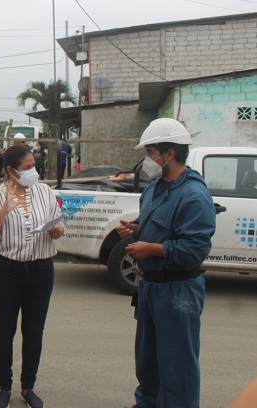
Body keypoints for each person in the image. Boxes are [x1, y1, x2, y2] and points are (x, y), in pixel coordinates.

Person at [116, 118, 216, 408]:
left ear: (169, 154)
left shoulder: (194, 194)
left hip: (178, 290)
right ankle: (146, 403)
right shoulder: (155, 188)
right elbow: (155, 224)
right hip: (151, 289)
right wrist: (135, 229)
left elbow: (194, 249)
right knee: (148, 360)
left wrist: (152, 249)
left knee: (177, 365)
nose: (147, 160)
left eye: (150, 152)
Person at [0, 144, 65, 408]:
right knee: (4, 332)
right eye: (27, 168)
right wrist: (4, 210)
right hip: (5, 271)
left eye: (33, 166)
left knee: (34, 331)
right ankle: (4, 387)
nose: (32, 172)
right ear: (11, 171)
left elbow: (57, 221)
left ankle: (28, 387)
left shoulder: (45, 191)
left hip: (41, 270)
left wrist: (58, 229)